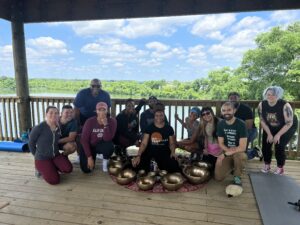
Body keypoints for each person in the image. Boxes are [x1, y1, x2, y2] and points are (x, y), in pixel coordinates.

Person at [258, 86, 298, 175]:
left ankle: (280, 167)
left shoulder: (285, 105)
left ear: (278, 96)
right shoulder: (262, 104)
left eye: (273, 95)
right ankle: (267, 164)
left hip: (287, 126)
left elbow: (289, 123)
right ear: (265, 94)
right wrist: (269, 133)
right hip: (270, 125)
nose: (270, 97)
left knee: (279, 145)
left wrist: (278, 134)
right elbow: (262, 120)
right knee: (266, 144)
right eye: (268, 94)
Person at [29, 106, 73, 185]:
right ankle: (39, 169)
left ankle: (51, 167)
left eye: (56, 113)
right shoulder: (39, 128)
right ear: (46, 114)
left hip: (55, 155)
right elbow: (31, 143)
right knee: (54, 180)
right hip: (42, 158)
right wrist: (36, 156)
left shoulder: (57, 126)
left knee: (68, 169)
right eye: (51, 113)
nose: (54, 115)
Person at [132, 104, 180, 173]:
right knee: (137, 165)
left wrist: (173, 152)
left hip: (164, 152)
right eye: (157, 115)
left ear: (164, 116)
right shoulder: (149, 128)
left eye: (161, 115)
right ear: (154, 116)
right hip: (150, 152)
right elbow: (144, 143)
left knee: (174, 165)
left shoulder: (169, 128)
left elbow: (172, 143)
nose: (159, 117)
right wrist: (138, 155)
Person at [215, 102, 247, 186]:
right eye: (224, 110)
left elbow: (242, 147)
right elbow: (221, 143)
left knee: (238, 156)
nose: (226, 112)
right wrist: (227, 152)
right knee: (218, 177)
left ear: (234, 110)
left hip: (239, 152)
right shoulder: (220, 124)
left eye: (229, 110)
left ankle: (237, 176)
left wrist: (225, 154)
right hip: (227, 151)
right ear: (222, 112)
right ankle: (232, 166)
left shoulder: (241, 124)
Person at [80, 102, 117, 173]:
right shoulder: (89, 121)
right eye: (99, 110)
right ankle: (93, 156)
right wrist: (89, 157)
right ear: (96, 111)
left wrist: (106, 125)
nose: (102, 112)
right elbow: (84, 140)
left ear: (107, 111)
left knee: (109, 146)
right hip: (90, 145)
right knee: (86, 170)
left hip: (101, 144)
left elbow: (108, 139)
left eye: (104, 110)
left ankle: (105, 161)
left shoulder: (112, 121)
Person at [228, 92, 259, 160]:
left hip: (250, 131)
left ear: (239, 99)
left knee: (241, 153)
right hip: (235, 131)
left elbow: (248, 126)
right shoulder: (227, 109)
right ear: (228, 100)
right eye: (231, 98)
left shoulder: (246, 109)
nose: (233, 100)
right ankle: (254, 151)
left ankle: (251, 152)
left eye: (235, 98)